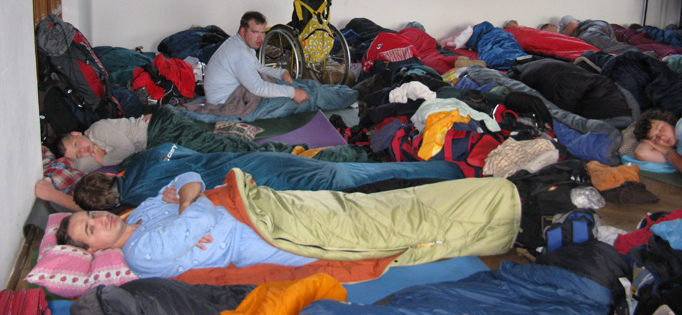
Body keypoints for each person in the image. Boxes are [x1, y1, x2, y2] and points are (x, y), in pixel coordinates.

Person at [56, 170, 520, 280]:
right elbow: (199, 210)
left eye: (89, 215)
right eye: (89, 229)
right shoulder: (140, 253)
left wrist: (189, 203)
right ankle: (498, 216)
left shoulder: (137, 215)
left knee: (358, 204)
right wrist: (190, 205)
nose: (98, 219)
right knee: (374, 228)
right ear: (95, 251)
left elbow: (188, 177)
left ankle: (494, 201)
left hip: (260, 207)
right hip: (267, 236)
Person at [69, 142, 465, 210]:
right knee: (347, 173)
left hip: (264, 183)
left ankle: (451, 178)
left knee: (350, 183)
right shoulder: (145, 158)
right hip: (258, 161)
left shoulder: (139, 198)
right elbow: (188, 155)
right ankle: (450, 171)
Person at [203, 11, 309, 105]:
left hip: (233, 95)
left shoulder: (240, 43)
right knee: (295, 101)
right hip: (225, 103)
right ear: (243, 31)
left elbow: (258, 68)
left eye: (262, 32)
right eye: (254, 32)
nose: (260, 38)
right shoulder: (240, 53)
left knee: (301, 88)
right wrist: (293, 93)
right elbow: (257, 87)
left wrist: (281, 73)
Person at [55, 114, 151, 173]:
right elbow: (80, 165)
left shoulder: (96, 130)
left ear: (77, 134)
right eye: (77, 155)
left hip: (149, 129)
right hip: (148, 143)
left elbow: (128, 148)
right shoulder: (94, 148)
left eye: (76, 144)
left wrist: (104, 160)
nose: (82, 150)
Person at [633, 109, 682, 180]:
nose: (662, 137)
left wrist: (668, 151)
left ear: (668, 119)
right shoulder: (678, 153)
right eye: (655, 138)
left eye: (660, 129)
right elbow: (641, 153)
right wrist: (666, 151)